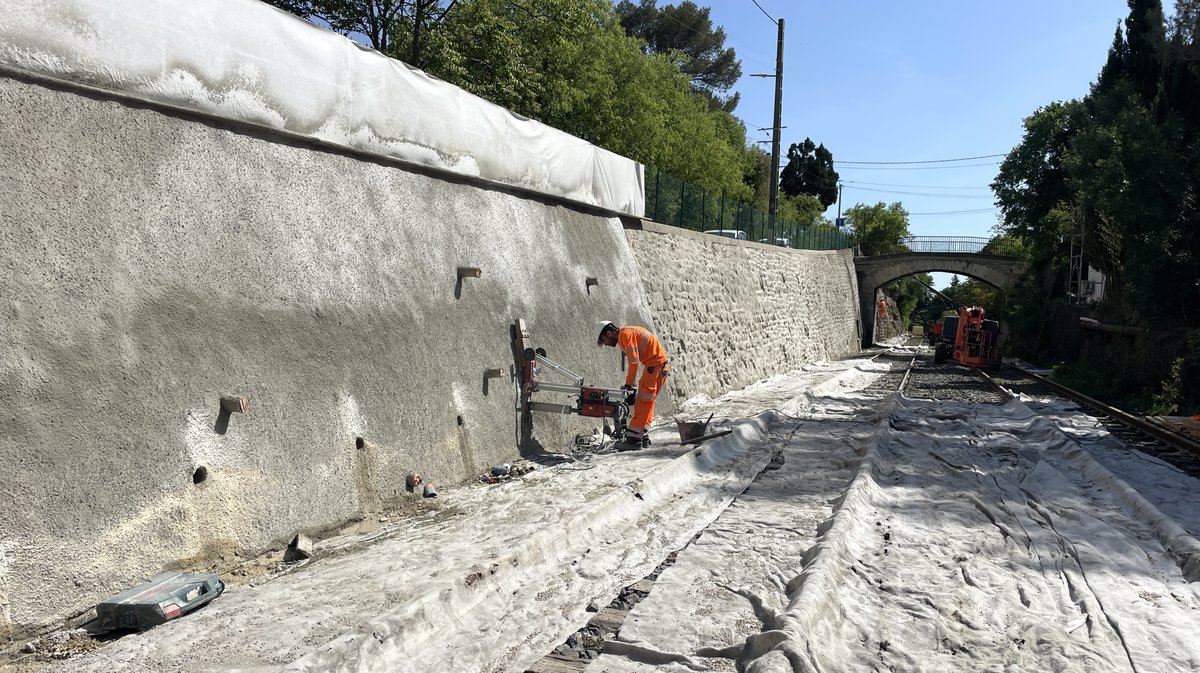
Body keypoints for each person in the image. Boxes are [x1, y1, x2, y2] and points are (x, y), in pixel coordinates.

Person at [596, 321, 668, 450]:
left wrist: (628, 384)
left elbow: (634, 362)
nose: (606, 344)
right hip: (660, 366)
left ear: (608, 333)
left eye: (604, 340)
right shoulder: (628, 332)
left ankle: (634, 440)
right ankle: (642, 435)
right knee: (648, 401)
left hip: (654, 366)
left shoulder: (625, 335)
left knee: (642, 402)